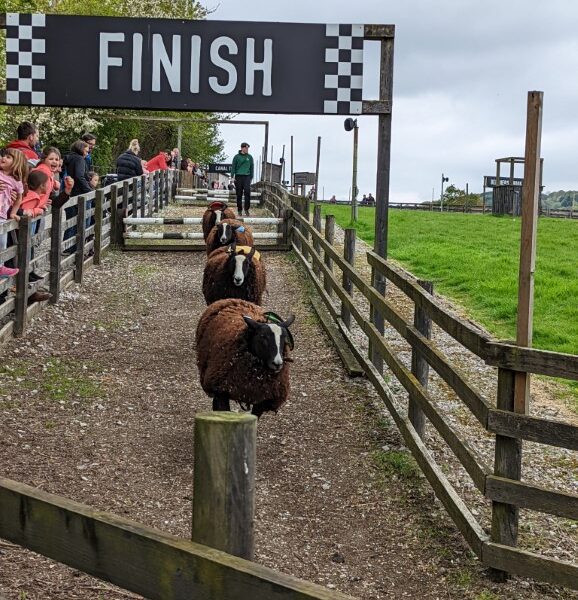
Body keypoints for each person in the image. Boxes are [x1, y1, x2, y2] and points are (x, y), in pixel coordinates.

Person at [0, 149, 28, 278]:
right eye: (2, 156)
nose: (3, 158)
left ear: (16, 163)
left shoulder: (16, 181)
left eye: (8, 157)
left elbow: (19, 198)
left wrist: (13, 213)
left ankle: (0, 267)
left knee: (2, 241)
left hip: (2, 214)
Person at [62, 139, 93, 254]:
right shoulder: (79, 159)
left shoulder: (69, 158)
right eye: (86, 150)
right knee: (80, 221)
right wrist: (89, 190)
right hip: (79, 193)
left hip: (70, 192)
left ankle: (67, 246)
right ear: (80, 149)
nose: (87, 152)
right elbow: (80, 177)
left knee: (71, 221)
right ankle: (74, 247)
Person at [231, 142, 254, 216]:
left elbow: (252, 167)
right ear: (242, 148)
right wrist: (232, 176)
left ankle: (246, 209)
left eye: (248, 148)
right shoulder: (236, 157)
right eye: (246, 148)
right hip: (238, 176)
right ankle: (239, 210)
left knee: (247, 192)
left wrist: (251, 176)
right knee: (239, 194)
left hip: (247, 176)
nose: (247, 149)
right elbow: (233, 167)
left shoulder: (250, 157)